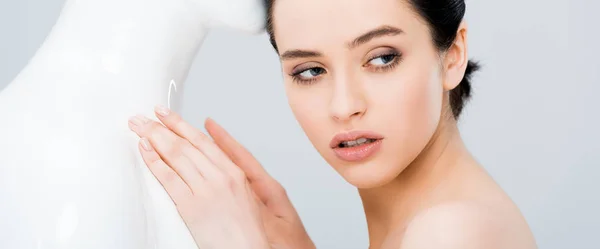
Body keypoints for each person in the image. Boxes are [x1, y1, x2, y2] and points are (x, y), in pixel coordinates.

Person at [127, 0, 538, 248]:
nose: (343, 107)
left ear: (452, 56)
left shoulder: (451, 234)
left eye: (381, 58)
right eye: (310, 71)